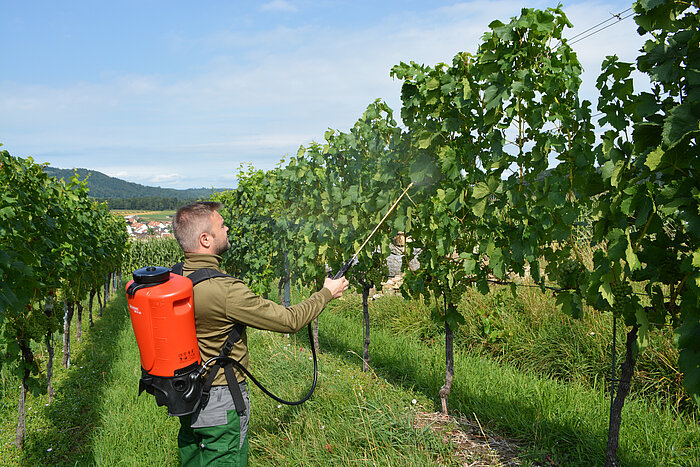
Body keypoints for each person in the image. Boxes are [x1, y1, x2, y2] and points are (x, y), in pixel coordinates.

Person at [172, 201, 348, 466]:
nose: (227, 228)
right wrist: (327, 293)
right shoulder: (224, 290)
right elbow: (290, 320)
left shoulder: (175, 278)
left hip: (186, 396)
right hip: (220, 402)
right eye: (221, 225)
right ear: (205, 239)